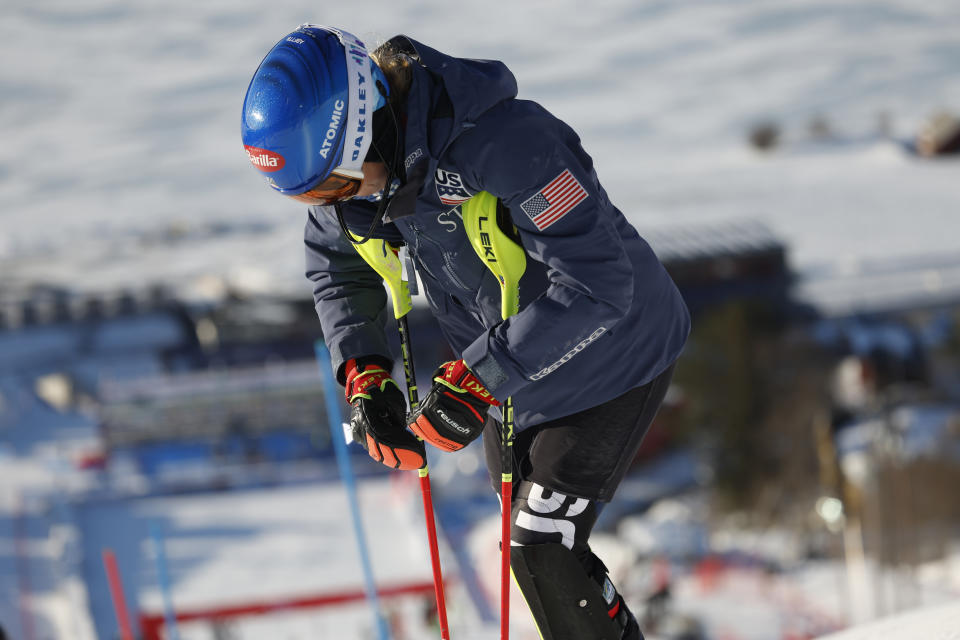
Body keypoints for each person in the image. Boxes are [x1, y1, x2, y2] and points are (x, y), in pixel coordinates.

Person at [241, 24, 690, 640]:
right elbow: (336, 265)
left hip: (614, 353)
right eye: (312, 195)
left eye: (335, 184)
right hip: (516, 373)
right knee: (525, 553)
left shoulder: (509, 144)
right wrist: (364, 374)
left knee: (542, 548)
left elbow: (600, 286)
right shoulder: (362, 181)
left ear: (367, 124)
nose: (334, 204)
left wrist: (482, 378)